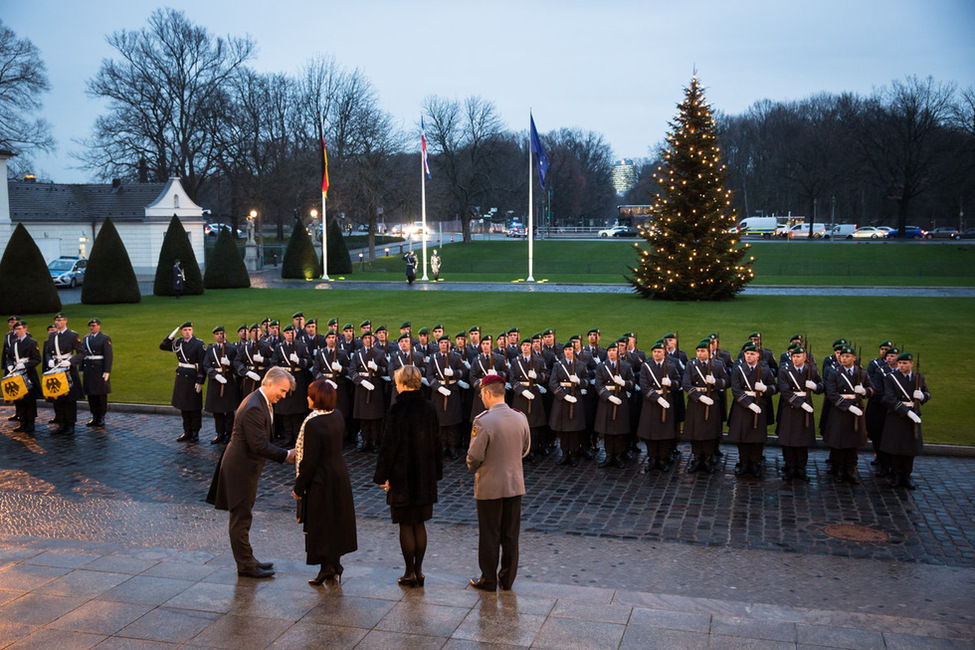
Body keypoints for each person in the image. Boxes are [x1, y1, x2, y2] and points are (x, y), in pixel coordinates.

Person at [208, 366, 297, 579]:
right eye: (282, 391)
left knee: (243, 516)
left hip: (245, 468)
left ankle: (248, 560)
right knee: (240, 517)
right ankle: (246, 565)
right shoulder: (254, 407)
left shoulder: (259, 401)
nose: (283, 396)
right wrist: (287, 454)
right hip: (240, 470)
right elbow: (259, 445)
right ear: (270, 383)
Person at [374, 365, 443, 587]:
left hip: (402, 477)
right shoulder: (429, 408)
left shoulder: (396, 411)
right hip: (424, 475)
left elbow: (388, 448)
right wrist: (436, 473)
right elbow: (436, 443)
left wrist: (382, 476)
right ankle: (419, 571)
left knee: (406, 524)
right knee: (419, 524)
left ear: (403, 384)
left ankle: (408, 572)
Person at [466, 374, 531, 592]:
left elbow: (474, 457)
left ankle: (488, 578)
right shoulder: (520, 417)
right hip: (514, 484)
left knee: (490, 534)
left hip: (490, 485)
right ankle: (507, 579)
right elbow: (525, 448)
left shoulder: (483, 421)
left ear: (486, 393)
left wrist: (472, 465)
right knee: (510, 535)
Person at [293, 380, 357, 585]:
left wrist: (298, 487)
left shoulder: (313, 423)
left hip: (321, 480)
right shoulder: (336, 415)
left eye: (310, 395)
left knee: (322, 525)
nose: (307, 398)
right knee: (335, 522)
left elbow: (309, 461)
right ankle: (334, 564)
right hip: (338, 475)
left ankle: (326, 568)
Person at [824, 345, 874, 485]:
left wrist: (864, 391)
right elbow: (831, 393)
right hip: (840, 411)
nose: (843, 358)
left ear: (853, 358)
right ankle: (839, 470)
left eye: (847, 356)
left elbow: (872, 389)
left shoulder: (861, 373)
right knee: (839, 443)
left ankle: (851, 471)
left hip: (856, 411)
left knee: (853, 443)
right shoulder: (835, 373)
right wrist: (848, 407)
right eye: (842, 356)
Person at [729, 341, 778, 478]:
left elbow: (774, 388)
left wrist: (765, 389)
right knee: (742, 437)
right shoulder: (738, 369)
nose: (749, 356)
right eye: (747, 354)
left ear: (758, 356)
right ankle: (744, 463)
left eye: (752, 354)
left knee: (757, 438)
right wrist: (748, 404)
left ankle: (755, 463)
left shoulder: (765, 370)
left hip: (759, 405)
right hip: (743, 406)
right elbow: (736, 390)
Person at [880, 351, 929, 489]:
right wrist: (906, 412)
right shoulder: (891, 378)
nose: (901, 366)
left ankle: (906, 476)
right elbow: (889, 398)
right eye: (900, 363)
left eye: (905, 363)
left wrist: (922, 396)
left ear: (911, 364)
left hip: (913, 416)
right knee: (896, 448)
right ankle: (896, 475)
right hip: (897, 415)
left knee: (909, 448)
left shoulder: (918, 377)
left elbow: (927, 393)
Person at [776, 346, 823, 481]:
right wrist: (800, 403)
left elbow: (821, 386)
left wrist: (814, 386)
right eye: (794, 357)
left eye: (798, 356)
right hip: (790, 407)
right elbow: (784, 390)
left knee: (803, 439)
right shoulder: (785, 370)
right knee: (789, 440)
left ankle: (801, 468)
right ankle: (790, 467)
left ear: (804, 357)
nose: (795, 359)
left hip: (806, 407)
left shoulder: (811, 370)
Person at [682, 339, 729, 473]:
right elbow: (686, 384)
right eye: (698, 351)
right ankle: (697, 460)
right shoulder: (691, 365)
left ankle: (708, 460)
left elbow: (727, 381)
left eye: (703, 351)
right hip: (696, 402)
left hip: (712, 400)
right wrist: (699, 396)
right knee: (695, 433)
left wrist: (716, 382)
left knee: (709, 433)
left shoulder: (718, 365)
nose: (700, 353)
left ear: (709, 352)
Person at [160, 322, 206, 442]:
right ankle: (187, 431)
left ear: (192, 330)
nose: (187, 332)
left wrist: (200, 381)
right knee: (184, 407)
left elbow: (202, 364)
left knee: (194, 408)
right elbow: (163, 346)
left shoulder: (198, 344)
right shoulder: (178, 343)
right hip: (181, 377)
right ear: (181, 331)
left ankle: (195, 432)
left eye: (189, 329)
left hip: (192, 377)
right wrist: (170, 337)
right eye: (185, 330)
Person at [45, 312, 84, 435]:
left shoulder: (72, 335)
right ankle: (61, 424)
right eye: (57, 320)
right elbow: (47, 352)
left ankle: (70, 425)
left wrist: (70, 362)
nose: (58, 322)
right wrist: (49, 360)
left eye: (61, 320)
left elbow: (82, 353)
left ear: (66, 321)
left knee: (69, 399)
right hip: (55, 369)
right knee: (57, 398)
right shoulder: (52, 336)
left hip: (68, 369)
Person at [204, 326, 240, 445]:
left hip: (227, 379)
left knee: (228, 410)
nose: (220, 336)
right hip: (215, 380)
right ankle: (220, 433)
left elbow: (237, 365)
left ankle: (229, 434)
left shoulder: (231, 348)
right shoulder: (211, 349)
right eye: (217, 334)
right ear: (214, 336)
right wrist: (214, 375)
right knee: (217, 410)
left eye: (221, 333)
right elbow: (206, 364)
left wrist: (229, 364)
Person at [3, 320, 41, 433]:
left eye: (20, 329)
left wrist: (24, 365)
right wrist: (10, 366)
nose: (18, 331)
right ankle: (22, 422)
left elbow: (37, 359)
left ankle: (30, 423)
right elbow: (9, 357)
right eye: (16, 329)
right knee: (19, 399)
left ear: (25, 329)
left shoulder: (31, 342)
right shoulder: (14, 343)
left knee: (29, 400)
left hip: (28, 374)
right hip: (17, 373)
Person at [81, 318, 112, 428]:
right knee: (91, 394)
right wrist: (81, 368)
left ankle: (101, 416)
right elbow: (83, 354)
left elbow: (108, 356)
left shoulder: (104, 338)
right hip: (89, 369)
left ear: (99, 326)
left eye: (94, 325)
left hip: (99, 369)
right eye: (90, 326)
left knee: (100, 394)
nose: (92, 327)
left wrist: (107, 371)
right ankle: (94, 416)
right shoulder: (86, 338)